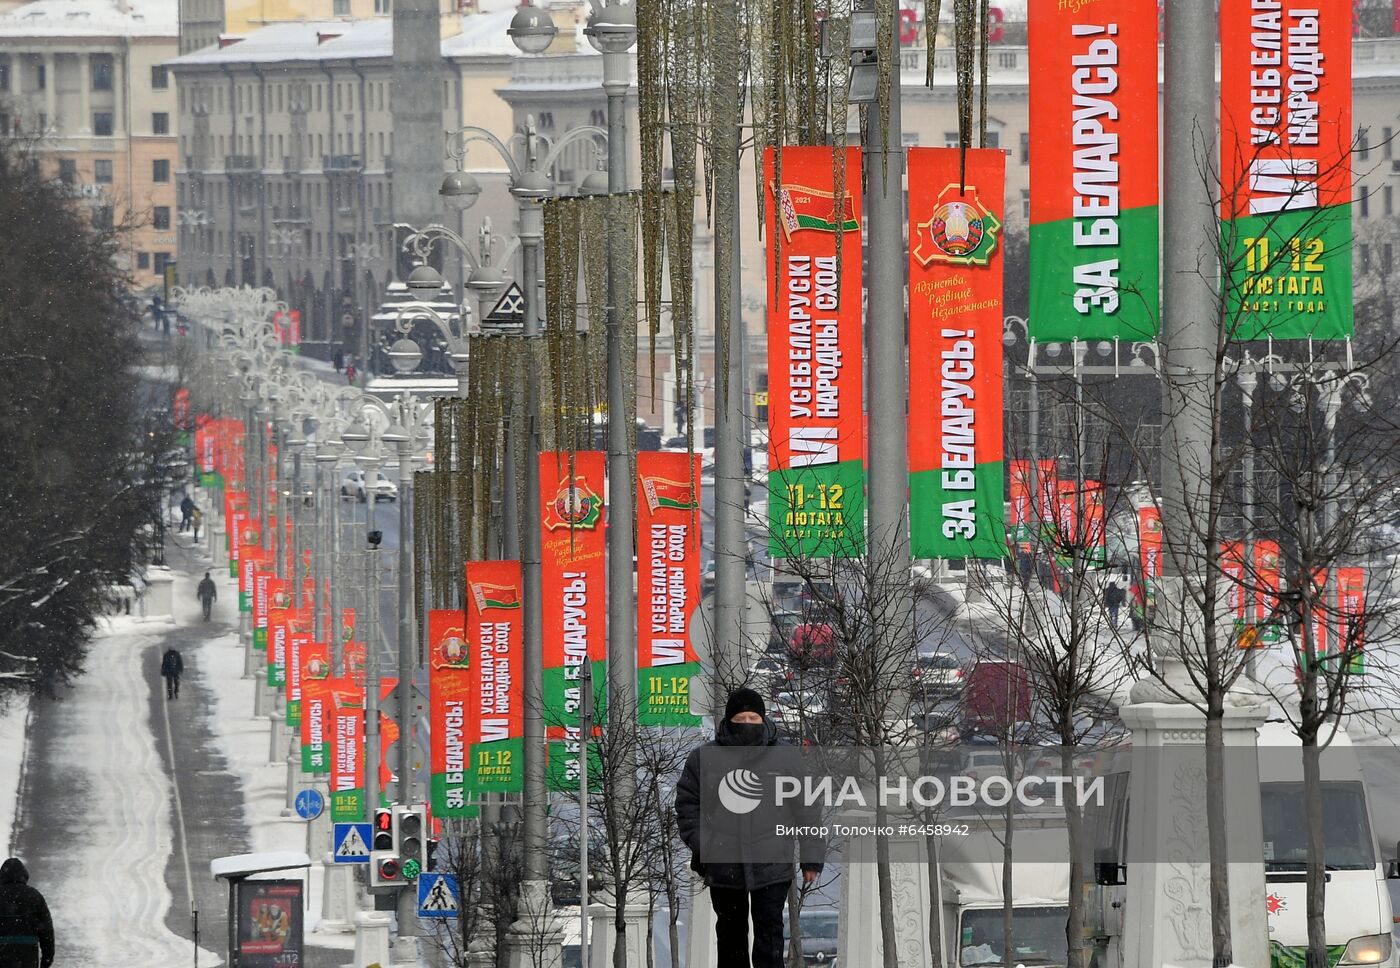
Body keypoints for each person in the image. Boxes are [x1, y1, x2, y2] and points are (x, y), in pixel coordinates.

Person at [675, 688, 825, 968]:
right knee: (730, 939)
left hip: (772, 862)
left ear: (763, 719)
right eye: (741, 717)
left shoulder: (786, 757)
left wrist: (812, 856)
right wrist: (706, 845)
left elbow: (807, 808)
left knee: (770, 937)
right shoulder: (702, 758)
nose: (747, 723)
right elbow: (687, 807)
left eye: (753, 717)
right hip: (724, 865)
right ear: (729, 720)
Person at [0, 857, 54, 968]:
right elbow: (47, 931)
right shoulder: (35, 896)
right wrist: (46, 960)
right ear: (24, 875)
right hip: (27, 957)